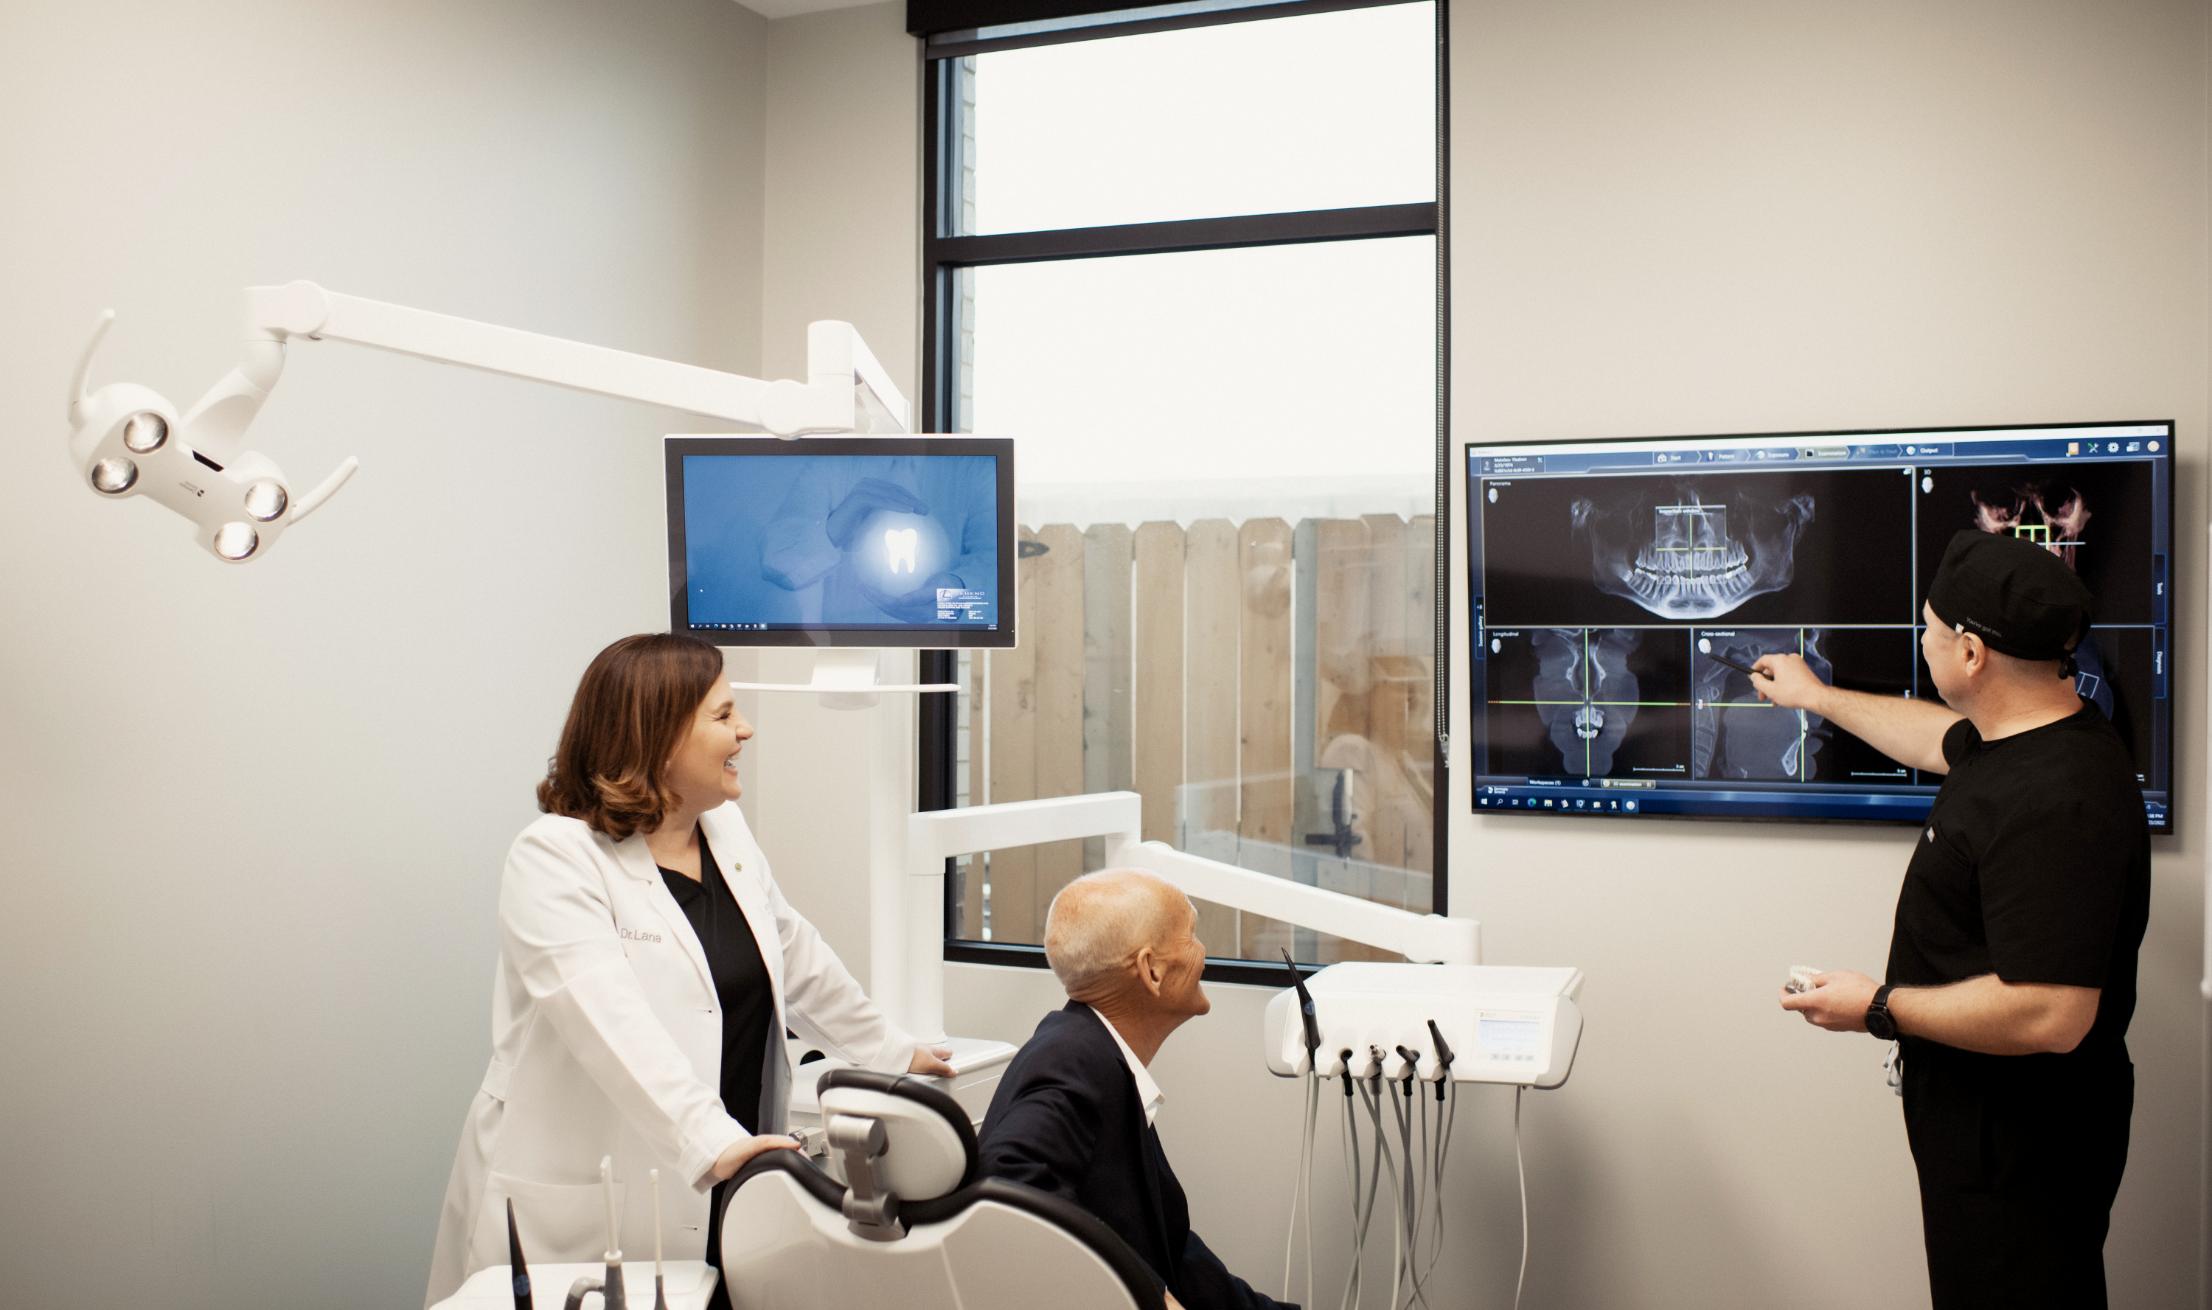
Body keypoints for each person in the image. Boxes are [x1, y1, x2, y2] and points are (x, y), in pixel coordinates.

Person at [425, 633, 952, 1307]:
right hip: (598, 1200)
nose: (746, 729)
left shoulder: (724, 831)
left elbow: (795, 954)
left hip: (722, 1177)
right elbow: (612, 1024)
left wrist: (894, 1049)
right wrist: (713, 1140)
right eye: (725, 715)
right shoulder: (554, 859)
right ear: (660, 736)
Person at [1759, 530, 2149, 1309]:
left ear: (1971, 655)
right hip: (1988, 1132)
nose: (1923, 641)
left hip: (2019, 1147)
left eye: (1930, 630)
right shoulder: (2031, 733)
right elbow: (1941, 738)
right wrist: (1818, 697)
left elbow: (2053, 1012)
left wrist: (1876, 1007)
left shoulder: (2058, 798)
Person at [977, 870, 1295, 1310]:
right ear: (1152, 970)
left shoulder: (1095, 1055)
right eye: (1191, 936)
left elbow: (1180, 1260)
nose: (1202, 952)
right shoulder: (1072, 1061)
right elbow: (1008, 1180)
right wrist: (1147, 1293)